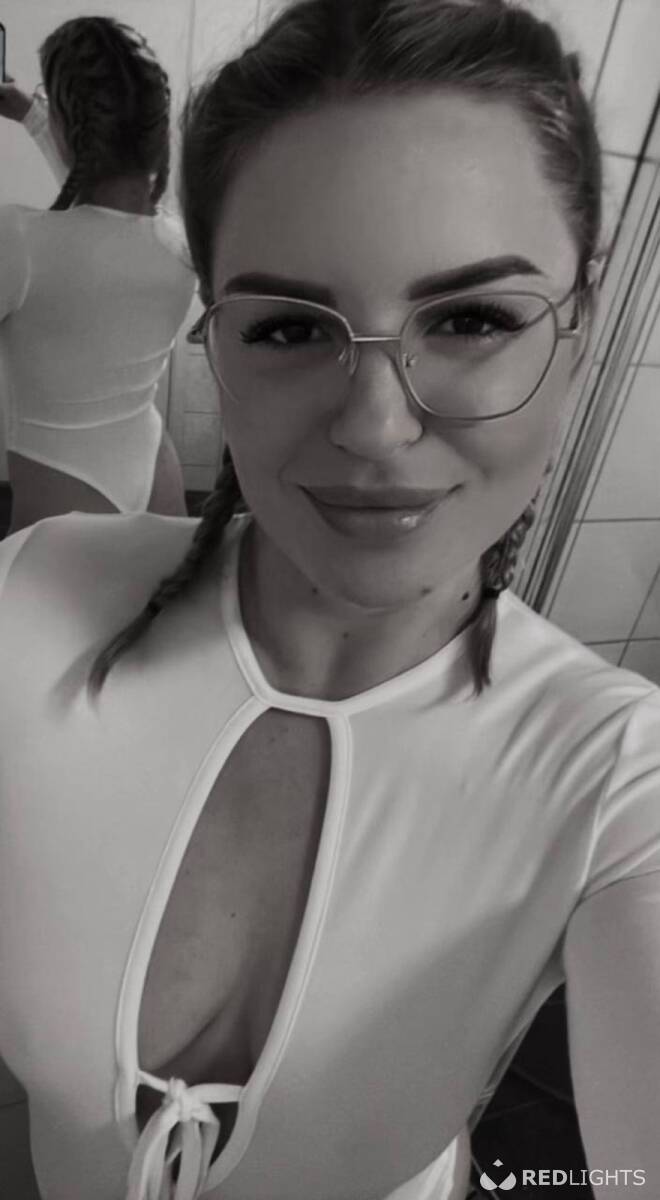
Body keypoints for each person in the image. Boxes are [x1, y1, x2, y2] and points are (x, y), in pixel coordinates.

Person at [0, 1, 658, 1198]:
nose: (374, 425)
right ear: (214, 339)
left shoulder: (618, 780)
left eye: (471, 320)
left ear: (577, 340)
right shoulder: (29, 604)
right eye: (292, 327)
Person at [0, 17, 195, 533]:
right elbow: (101, 217)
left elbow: (82, 226)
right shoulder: (179, 244)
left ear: (70, 128)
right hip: (157, 472)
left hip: (67, 491)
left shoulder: (21, 243)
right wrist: (33, 114)